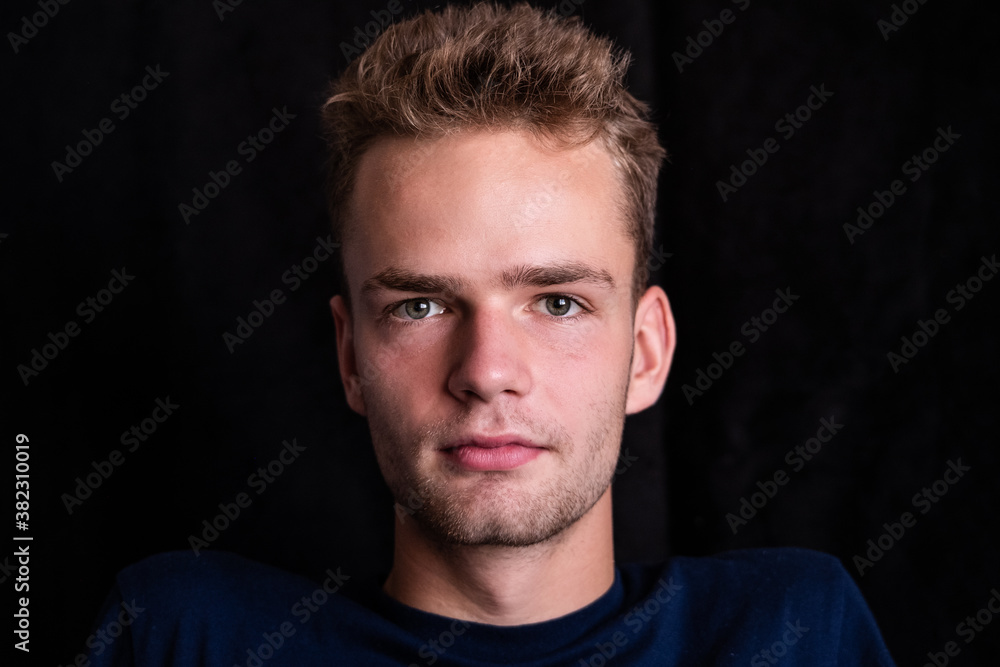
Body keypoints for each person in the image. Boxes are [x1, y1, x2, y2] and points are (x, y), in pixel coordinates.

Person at [86, 3, 896, 664]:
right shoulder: (183, 635)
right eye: (421, 306)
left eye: (557, 302)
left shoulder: (794, 631)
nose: (487, 371)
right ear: (350, 356)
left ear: (646, 350)